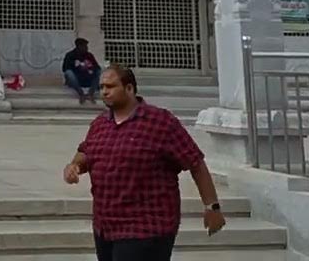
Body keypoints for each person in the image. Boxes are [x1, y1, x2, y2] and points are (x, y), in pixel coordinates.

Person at [63, 65, 225, 261]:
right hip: (106, 228)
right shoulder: (99, 124)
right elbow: (86, 151)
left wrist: (212, 207)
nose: (104, 92)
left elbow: (195, 162)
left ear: (129, 88)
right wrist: (75, 166)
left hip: (146, 228)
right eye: (102, 87)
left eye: (110, 86)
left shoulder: (160, 122)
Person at [62, 37, 101, 103]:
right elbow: (64, 69)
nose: (86, 48)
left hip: (87, 79)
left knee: (99, 72)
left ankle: (90, 93)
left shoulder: (89, 55)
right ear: (79, 46)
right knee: (68, 73)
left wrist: (90, 67)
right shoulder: (70, 55)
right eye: (84, 46)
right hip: (76, 80)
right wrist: (75, 64)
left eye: (86, 46)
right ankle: (81, 93)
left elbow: (97, 68)